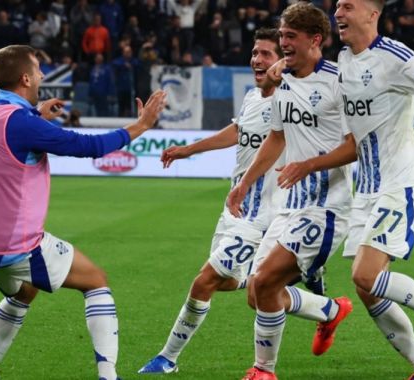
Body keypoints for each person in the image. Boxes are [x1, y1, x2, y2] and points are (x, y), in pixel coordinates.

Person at [273, 0, 414, 378]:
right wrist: (284, 68)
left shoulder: (393, 55)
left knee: (366, 275)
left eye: (347, 6)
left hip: (399, 181)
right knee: (368, 289)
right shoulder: (342, 62)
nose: (338, 12)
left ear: (372, 14)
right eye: (337, 6)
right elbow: (350, 141)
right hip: (367, 189)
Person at [0, 45, 166, 380]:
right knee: (96, 281)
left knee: (25, 291)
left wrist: (37, 115)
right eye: (39, 69)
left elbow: (12, 133)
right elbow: (87, 146)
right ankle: (109, 376)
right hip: (15, 245)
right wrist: (140, 125)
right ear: (25, 77)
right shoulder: (23, 124)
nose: (42, 75)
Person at [138, 28, 324, 375]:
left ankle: (168, 358)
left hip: (263, 213)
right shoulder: (253, 97)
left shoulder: (290, 101)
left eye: (266, 54)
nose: (257, 59)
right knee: (244, 287)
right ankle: (328, 309)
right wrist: (188, 150)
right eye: (255, 52)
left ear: (281, 61)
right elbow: (238, 131)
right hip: (236, 210)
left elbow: (282, 147)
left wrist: (247, 185)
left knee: (204, 281)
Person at [226, 3, 355, 379]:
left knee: (266, 281)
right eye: (281, 36)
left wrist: (308, 165)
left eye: (290, 37)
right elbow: (277, 138)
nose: (283, 43)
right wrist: (244, 184)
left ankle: (263, 371)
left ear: (315, 40)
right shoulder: (282, 83)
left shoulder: (337, 82)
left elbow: (354, 145)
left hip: (328, 205)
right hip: (290, 206)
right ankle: (330, 310)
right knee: (257, 291)